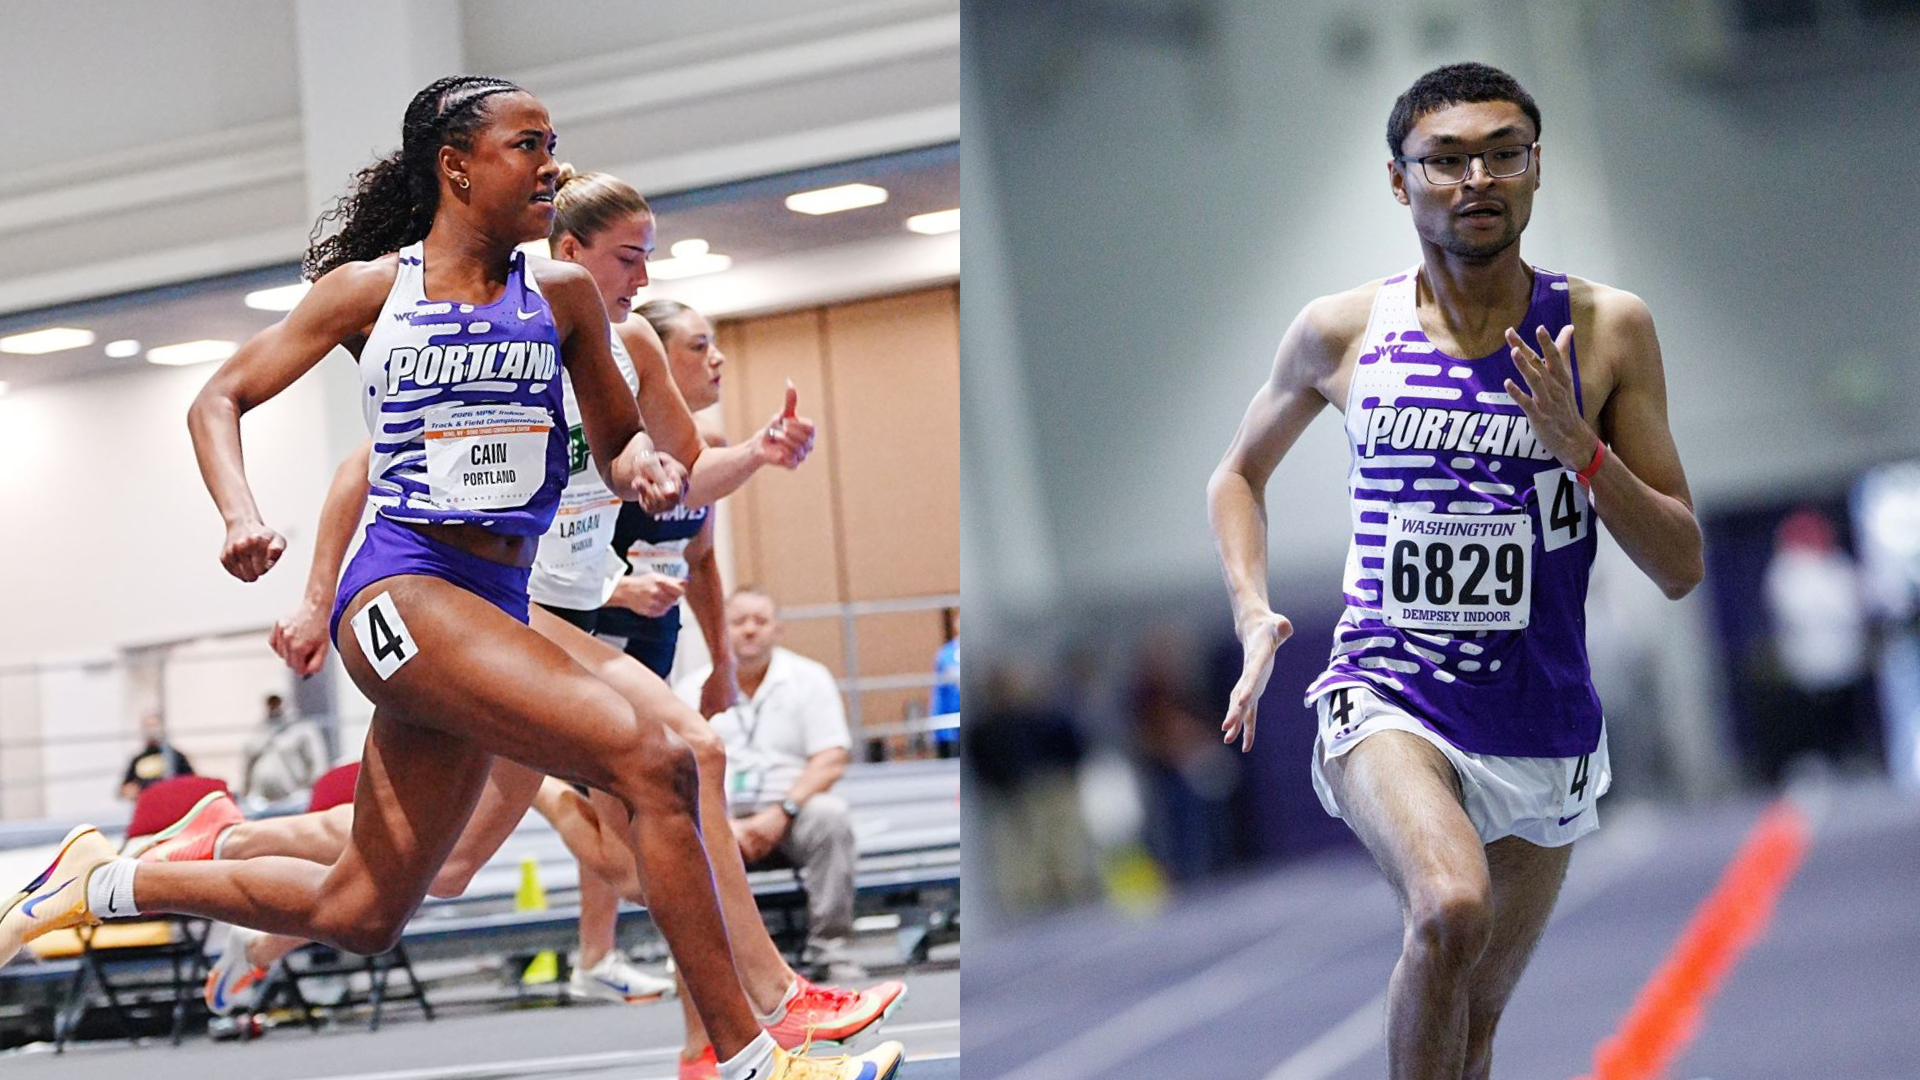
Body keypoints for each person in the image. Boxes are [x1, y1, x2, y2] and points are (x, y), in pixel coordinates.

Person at [0, 76, 900, 1080]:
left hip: (494, 606)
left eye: (552, 143)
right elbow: (219, 398)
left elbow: (615, 444)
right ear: (457, 167)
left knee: (365, 909)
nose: (549, 165)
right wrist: (243, 515)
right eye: (527, 145)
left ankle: (101, 883)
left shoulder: (560, 298)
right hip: (399, 594)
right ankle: (750, 1058)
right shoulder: (369, 293)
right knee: (658, 760)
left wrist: (641, 467)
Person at [1207, 62, 1703, 1080]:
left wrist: (1583, 451)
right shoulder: (1343, 331)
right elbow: (1237, 475)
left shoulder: (1608, 330)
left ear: (1535, 169)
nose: (1477, 178)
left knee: (1470, 1022)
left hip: (1540, 715)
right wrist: (1252, 610)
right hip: (1387, 691)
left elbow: (1682, 563)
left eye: (1502, 154)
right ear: (1400, 181)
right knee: (1448, 906)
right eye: (1446, 159)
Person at [678, 587, 861, 983]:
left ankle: (832, 949)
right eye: (738, 621)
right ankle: (706, 963)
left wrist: (782, 812)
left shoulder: (809, 679)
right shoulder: (691, 688)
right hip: (718, 816)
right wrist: (722, 825)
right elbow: (679, 765)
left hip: (791, 812)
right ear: (720, 629)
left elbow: (831, 757)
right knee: (675, 830)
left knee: (831, 816)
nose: (749, 630)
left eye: (760, 621)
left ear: (778, 629)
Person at [237, 693, 330, 807]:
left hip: (294, 798)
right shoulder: (259, 731)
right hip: (260, 800)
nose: (275, 706)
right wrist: (245, 790)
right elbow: (248, 762)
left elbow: (317, 762)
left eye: (277, 702)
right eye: (271, 703)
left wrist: (316, 791)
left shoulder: (302, 730)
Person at [119, 711, 195, 801]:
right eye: (147, 726)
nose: (151, 730)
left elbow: (191, 781)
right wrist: (130, 791)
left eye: (154, 726)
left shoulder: (176, 757)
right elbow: (124, 789)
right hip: (147, 803)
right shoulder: (137, 759)